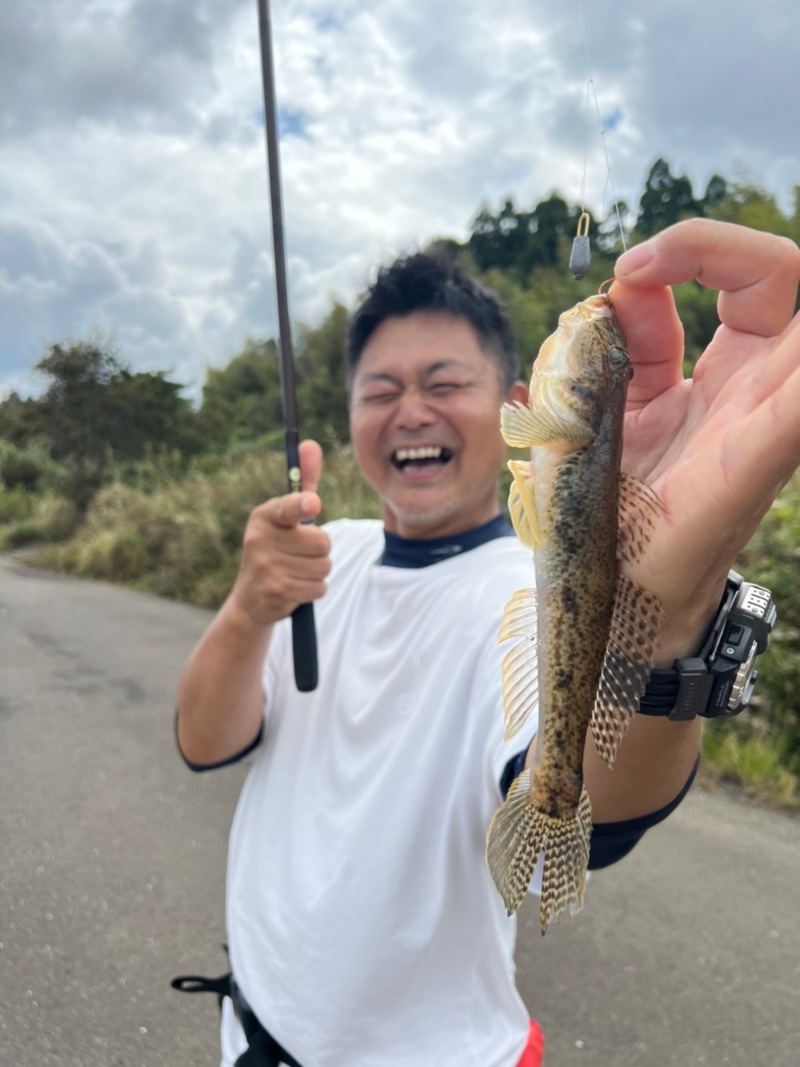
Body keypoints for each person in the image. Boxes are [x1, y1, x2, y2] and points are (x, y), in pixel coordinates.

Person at [175, 218, 800, 1067]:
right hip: (249, 1035)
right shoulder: (325, 558)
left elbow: (602, 822)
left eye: (443, 381)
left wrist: (664, 615)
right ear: (350, 412)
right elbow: (206, 743)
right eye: (379, 389)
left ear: (518, 402)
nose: (411, 412)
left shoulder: (518, 584)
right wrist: (250, 607)